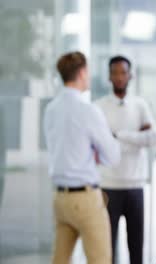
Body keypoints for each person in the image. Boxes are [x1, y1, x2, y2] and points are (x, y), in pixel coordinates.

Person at [44, 51, 120, 264]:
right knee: (100, 260)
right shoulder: (88, 110)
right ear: (82, 72)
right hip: (85, 199)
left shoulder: (51, 109)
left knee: (60, 260)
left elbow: (61, 149)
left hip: (60, 199)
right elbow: (113, 156)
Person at [95, 55, 156, 264]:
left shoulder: (140, 105)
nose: (119, 77)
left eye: (123, 72)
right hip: (108, 186)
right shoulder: (99, 107)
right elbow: (101, 143)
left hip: (135, 186)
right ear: (109, 76)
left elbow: (153, 138)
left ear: (130, 75)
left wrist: (119, 135)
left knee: (136, 249)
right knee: (108, 249)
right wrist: (136, 137)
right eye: (115, 73)